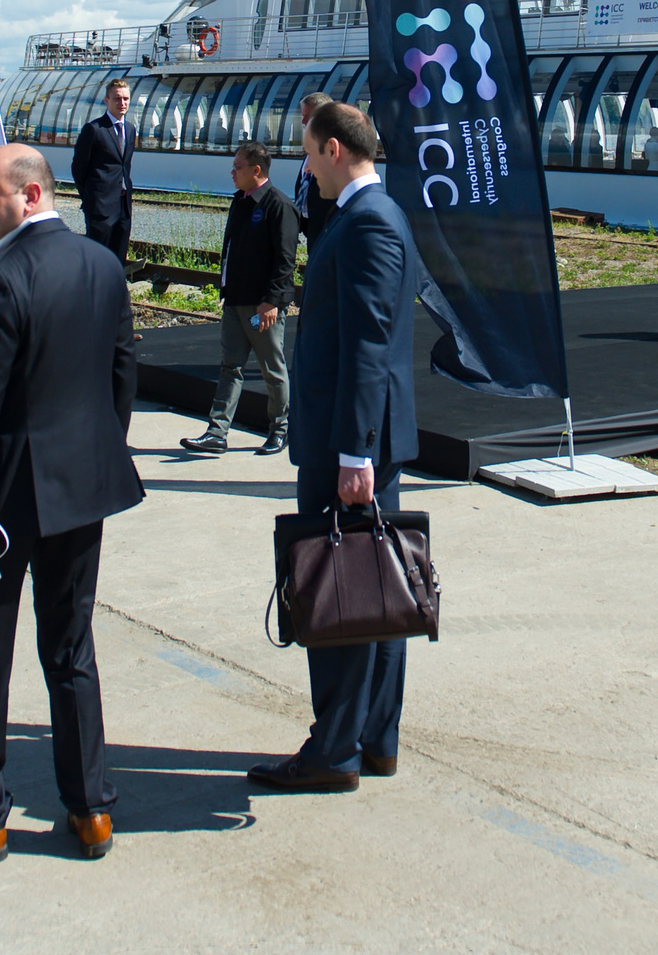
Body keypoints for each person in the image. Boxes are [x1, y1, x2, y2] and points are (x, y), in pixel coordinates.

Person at [0, 142, 143, 863]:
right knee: (70, 647)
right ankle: (91, 810)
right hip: (82, 488)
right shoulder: (103, 265)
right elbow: (121, 374)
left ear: (32, 196)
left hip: (2, 498)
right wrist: (102, 450)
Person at [249, 102, 419, 795]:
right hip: (358, 439)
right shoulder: (366, 216)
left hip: (350, 443)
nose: (303, 166)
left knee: (340, 590)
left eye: (307, 153)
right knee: (375, 588)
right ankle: (373, 738)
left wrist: (354, 452)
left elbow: (369, 344)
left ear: (333, 150)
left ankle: (335, 749)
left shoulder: (369, 222)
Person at [182, 142, 300, 455]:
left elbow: (285, 260)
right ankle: (217, 432)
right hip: (235, 300)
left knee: (271, 368)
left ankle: (280, 429)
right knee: (230, 366)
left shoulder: (278, 205)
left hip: (262, 306)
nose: (232, 172)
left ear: (256, 170)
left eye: (238, 167)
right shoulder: (241, 201)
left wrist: (272, 300)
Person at [69, 77, 136, 262]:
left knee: (118, 257)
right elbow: (78, 168)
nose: (122, 103)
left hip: (123, 206)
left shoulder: (130, 129)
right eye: (117, 99)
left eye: (126, 99)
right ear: (107, 100)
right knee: (97, 258)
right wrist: (91, 199)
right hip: (100, 206)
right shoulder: (94, 129)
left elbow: (124, 166)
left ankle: (115, 289)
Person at [291, 91, 338, 248]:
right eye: (303, 116)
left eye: (308, 116)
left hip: (330, 232)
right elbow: (304, 189)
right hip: (312, 232)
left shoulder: (335, 149)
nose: (303, 121)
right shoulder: (312, 148)